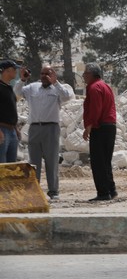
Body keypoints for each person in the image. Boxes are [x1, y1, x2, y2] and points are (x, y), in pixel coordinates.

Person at [14, 65, 73, 200]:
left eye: (47, 73)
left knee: (51, 160)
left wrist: (56, 82)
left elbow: (68, 97)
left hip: (51, 128)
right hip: (34, 128)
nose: (44, 76)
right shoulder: (32, 88)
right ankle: (35, 190)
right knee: (34, 161)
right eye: (42, 73)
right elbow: (16, 92)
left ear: (53, 74)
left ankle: (53, 191)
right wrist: (22, 79)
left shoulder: (57, 89)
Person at [81, 63, 117, 202]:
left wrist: (89, 126)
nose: (83, 75)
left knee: (98, 162)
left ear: (91, 74)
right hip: (110, 126)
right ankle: (111, 190)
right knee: (105, 161)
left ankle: (103, 192)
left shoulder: (94, 87)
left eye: (85, 73)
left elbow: (96, 109)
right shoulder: (105, 86)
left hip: (100, 127)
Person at [0, 60, 20, 163]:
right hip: (2, 130)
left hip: (12, 131)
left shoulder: (9, 88)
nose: (16, 71)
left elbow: (11, 109)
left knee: (11, 166)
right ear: (7, 71)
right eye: (14, 69)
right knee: (2, 165)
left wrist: (15, 129)